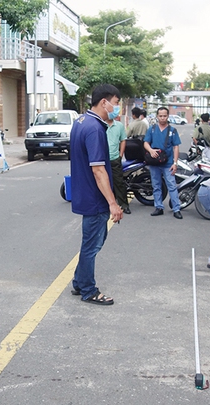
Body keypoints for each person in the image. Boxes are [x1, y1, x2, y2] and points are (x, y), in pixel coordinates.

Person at [70, 84, 123, 306]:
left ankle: (78, 282)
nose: (116, 108)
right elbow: (98, 169)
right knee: (92, 245)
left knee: (90, 242)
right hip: (95, 198)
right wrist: (113, 203)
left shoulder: (80, 122)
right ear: (104, 102)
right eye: (116, 103)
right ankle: (88, 290)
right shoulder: (95, 128)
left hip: (84, 193)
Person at [144, 106, 183, 219]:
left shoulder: (172, 131)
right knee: (156, 185)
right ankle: (159, 207)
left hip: (168, 164)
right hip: (154, 163)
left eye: (164, 116)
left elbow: (176, 147)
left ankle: (176, 209)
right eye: (160, 116)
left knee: (172, 186)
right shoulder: (151, 129)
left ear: (168, 116)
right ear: (157, 116)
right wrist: (150, 150)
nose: (162, 118)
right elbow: (146, 143)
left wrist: (175, 163)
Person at [106, 114, 130, 214]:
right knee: (102, 182)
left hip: (115, 158)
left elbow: (123, 140)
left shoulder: (119, 125)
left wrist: (120, 155)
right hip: (101, 159)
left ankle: (124, 205)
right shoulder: (100, 125)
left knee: (119, 182)